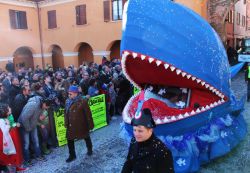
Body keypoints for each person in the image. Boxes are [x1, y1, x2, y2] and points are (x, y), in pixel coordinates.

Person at [121, 108, 174, 173]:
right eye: (134, 130)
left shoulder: (162, 152)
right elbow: (129, 162)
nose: (136, 134)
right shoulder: (134, 141)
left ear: (150, 130)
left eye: (140, 131)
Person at [18, 95, 51, 165]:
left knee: (36, 141)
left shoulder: (42, 105)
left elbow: (37, 116)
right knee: (26, 143)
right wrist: (28, 128)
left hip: (33, 124)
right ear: (44, 104)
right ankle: (27, 160)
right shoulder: (33, 105)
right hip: (24, 125)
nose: (46, 109)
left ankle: (38, 156)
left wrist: (40, 119)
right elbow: (24, 118)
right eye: (46, 107)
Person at [65, 85, 94, 163]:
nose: (69, 95)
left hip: (81, 124)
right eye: (68, 93)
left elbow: (88, 114)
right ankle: (72, 155)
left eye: (70, 94)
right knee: (69, 140)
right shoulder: (67, 101)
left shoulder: (82, 101)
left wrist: (90, 125)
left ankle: (90, 149)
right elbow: (66, 113)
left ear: (75, 93)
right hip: (71, 125)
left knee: (86, 136)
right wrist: (66, 123)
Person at [0, 103, 28, 172]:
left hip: (11, 139)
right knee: (9, 157)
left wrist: (13, 124)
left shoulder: (8, 117)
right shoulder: (1, 121)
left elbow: (11, 125)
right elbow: (5, 131)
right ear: (4, 111)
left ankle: (16, 167)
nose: (10, 108)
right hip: (6, 142)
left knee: (14, 154)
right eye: (8, 108)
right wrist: (9, 124)